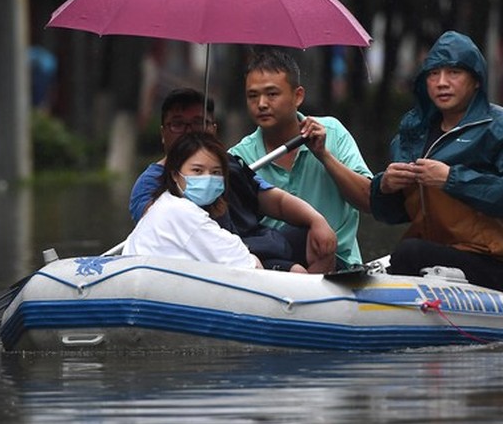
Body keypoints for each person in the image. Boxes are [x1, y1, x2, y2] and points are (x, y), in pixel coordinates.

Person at [370, 31, 503, 295]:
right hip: (429, 254)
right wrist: (384, 187)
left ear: (475, 80)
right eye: (433, 74)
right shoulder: (410, 136)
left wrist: (452, 179)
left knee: (410, 252)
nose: (442, 83)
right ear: (423, 82)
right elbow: (393, 215)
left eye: (454, 73)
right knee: (408, 252)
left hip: (494, 263)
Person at [130, 88, 337, 273]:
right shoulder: (161, 196)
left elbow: (276, 201)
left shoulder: (231, 165)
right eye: (178, 124)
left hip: (246, 244)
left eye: (198, 123)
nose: (189, 131)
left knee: (315, 238)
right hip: (203, 259)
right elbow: (169, 236)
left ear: (212, 128)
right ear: (163, 133)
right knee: (294, 271)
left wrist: (316, 221)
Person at [229, 49, 373, 269]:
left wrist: (324, 156)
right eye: (253, 96)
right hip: (273, 269)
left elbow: (369, 200)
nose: (261, 104)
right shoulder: (238, 158)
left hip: (341, 266)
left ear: (298, 96)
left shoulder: (333, 132)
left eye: (272, 94)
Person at [124, 132, 262, 268]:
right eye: (197, 171)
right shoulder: (180, 212)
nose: (207, 179)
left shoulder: (166, 204)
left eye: (216, 172)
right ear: (175, 175)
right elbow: (248, 265)